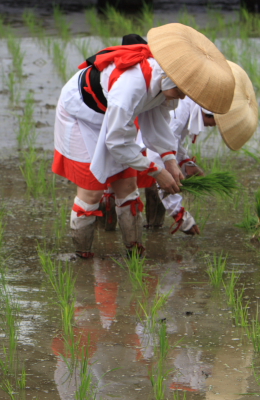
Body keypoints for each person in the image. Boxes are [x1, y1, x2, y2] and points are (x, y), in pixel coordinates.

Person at [52, 23, 235, 258]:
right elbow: (116, 141)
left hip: (115, 118)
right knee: (92, 192)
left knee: (128, 189)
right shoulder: (130, 86)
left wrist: (169, 160)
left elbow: (156, 123)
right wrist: (156, 171)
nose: (182, 96)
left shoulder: (165, 86)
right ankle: (83, 255)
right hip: (81, 116)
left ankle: (134, 252)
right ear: (170, 76)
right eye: (181, 90)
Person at [143, 60, 258, 233]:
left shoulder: (189, 105)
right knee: (120, 191)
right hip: (132, 145)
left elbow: (174, 144)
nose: (213, 127)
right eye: (215, 122)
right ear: (208, 112)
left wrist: (186, 163)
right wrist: (180, 214)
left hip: (144, 150)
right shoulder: (179, 111)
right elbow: (157, 155)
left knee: (157, 182)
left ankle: (153, 230)